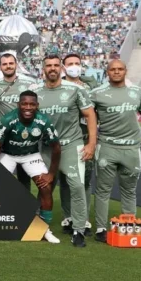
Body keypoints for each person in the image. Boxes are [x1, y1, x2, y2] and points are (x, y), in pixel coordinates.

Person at [36, 55, 97, 247]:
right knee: (44, 188)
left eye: (56, 65)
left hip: (72, 145)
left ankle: (78, 230)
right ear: (43, 69)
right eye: (49, 66)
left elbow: (90, 115)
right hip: (46, 147)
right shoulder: (35, 91)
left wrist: (91, 144)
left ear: (61, 69)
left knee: (77, 186)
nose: (52, 68)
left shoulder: (75, 89)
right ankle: (39, 226)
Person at [0, 90, 61, 244]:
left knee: (46, 187)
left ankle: (44, 229)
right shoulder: (8, 120)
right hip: (8, 155)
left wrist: (51, 173)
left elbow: (56, 147)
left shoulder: (44, 121)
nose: (28, 107)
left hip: (31, 155)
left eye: (32, 104)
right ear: (18, 105)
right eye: (24, 104)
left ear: (37, 106)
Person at [90, 60, 141, 243]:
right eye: (113, 69)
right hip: (107, 148)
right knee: (103, 190)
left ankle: (129, 228)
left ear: (125, 71)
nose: (116, 72)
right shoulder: (96, 94)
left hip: (131, 149)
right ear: (107, 72)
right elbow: (88, 118)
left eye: (120, 69)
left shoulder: (138, 92)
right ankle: (100, 229)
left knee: (129, 190)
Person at [59, 53, 97, 235]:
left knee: (85, 180)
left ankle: (83, 218)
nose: (74, 66)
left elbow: (94, 112)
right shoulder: (60, 86)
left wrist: (93, 140)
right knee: (65, 180)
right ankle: (68, 216)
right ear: (63, 67)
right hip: (66, 138)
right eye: (70, 64)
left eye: (77, 63)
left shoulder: (91, 87)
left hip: (84, 137)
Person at [0, 52, 36, 189]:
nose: (8, 66)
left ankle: (26, 209)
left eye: (11, 63)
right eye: (4, 64)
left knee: (24, 179)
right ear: (0, 67)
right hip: (4, 139)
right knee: (2, 177)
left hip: (25, 137)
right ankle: (5, 208)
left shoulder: (30, 84)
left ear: (16, 64)